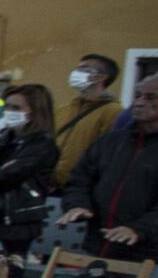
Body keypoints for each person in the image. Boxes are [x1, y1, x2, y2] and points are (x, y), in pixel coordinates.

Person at [59, 72, 158, 265]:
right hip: (99, 248)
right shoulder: (111, 141)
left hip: (153, 256)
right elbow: (79, 179)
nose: (139, 102)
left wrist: (139, 229)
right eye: (137, 95)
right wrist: (78, 204)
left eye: (151, 97)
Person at [0, 82, 61, 257]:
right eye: (7, 106)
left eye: (16, 107)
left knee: (11, 268)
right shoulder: (3, 137)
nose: (9, 111)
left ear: (34, 111)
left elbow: (7, 177)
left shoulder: (42, 144)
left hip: (18, 218)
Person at [50, 51, 127, 190]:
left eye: (84, 69)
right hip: (50, 185)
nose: (76, 73)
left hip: (80, 188)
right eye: (76, 69)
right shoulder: (64, 109)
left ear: (102, 77)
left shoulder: (114, 112)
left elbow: (107, 155)